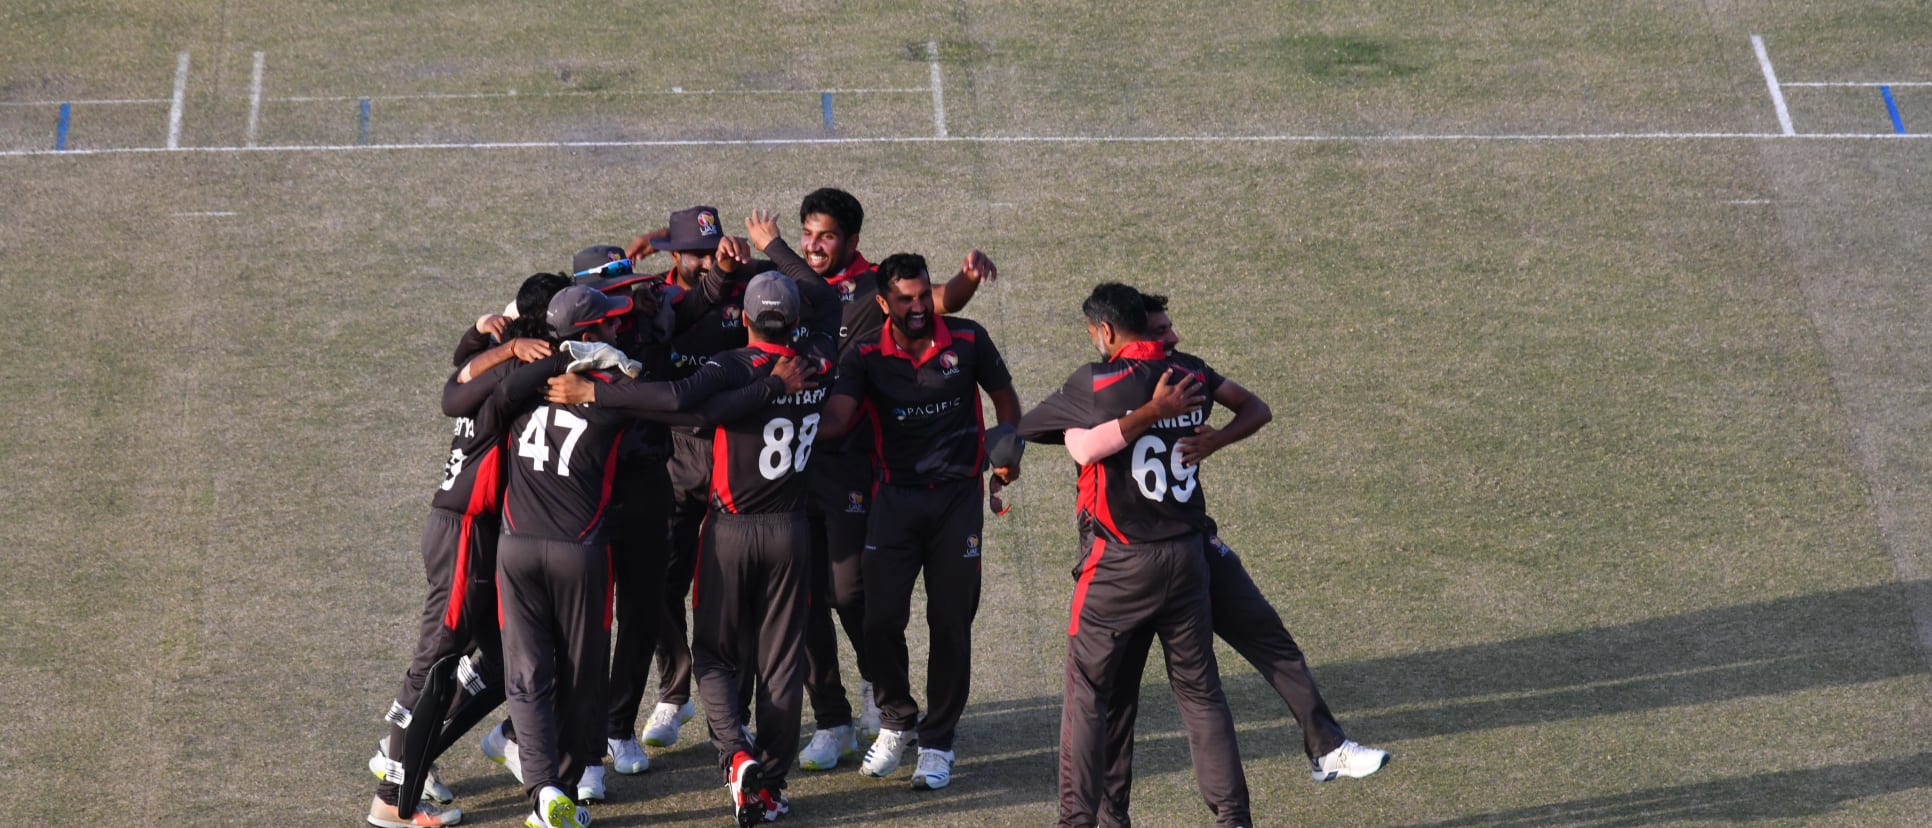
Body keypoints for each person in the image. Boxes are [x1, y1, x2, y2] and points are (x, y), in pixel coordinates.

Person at [741, 188, 999, 771]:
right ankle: (832, 719)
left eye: (825, 235)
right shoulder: (780, 279)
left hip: (854, 463)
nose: (812, 245)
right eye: (806, 234)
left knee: (852, 591)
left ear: (852, 241)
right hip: (786, 462)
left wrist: (968, 279)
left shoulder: (872, 285)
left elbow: (937, 300)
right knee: (800, 593)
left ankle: (884, 699)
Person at [1015, 282, 1250, 828]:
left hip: (1118, 564)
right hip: (1187, 559)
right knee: (1200, 693)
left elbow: (1030, 426)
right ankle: (1234, 819)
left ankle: (1080, 821)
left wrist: (1096, 426)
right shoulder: (1191, 373)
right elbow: (1252, 407)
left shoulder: (1096, 381)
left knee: (1089, 695)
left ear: (1104, 330)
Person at [816, 253, 1023, 791]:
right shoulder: (863, 356)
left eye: (921, 295)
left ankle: (937, 742)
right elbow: (838, 420)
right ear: (883, 303)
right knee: (877, 620)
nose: (916, 307)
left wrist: (1006, 451)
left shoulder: (970, 340)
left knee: (950, 622)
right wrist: (782, 404)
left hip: (957, 500)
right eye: (903, 299)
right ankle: (897, 719)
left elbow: (1005, 402)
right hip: (894, 501)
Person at [365, 273, 563, 828]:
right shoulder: (515, 374)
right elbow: (489, 390)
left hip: (471, 533)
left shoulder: (493, 363)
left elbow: (457, 381)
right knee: (436, 658)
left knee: (503, 659)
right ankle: (392, 798)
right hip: (466, 536)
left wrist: (486, 337)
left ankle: (416, 753)